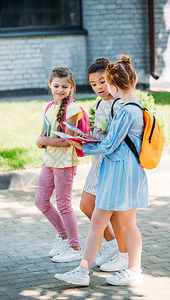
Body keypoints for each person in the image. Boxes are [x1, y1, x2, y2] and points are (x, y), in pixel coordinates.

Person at [54, 55, 149, 286]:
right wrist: (86, 141)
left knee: (119, 223)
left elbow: (109, 145)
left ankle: (125, 269)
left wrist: (80, 145)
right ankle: (88, 270)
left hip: (120, 173)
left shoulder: (127, 111)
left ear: (114, 86)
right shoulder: (132, 108)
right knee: (110, 222)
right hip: (119, 172)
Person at [80, 58, 128, 272]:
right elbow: (102, 132)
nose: (98, 87)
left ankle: (122, 253)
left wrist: (100, 136)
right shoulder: (100, 103)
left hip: (110, 163)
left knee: (113, 213)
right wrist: (89, 134)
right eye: (93, 84)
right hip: (97, 162)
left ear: (111, 80)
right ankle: (111, 247)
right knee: (86, 205)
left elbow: (118, 137)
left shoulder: (119, 104)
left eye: (102, 82)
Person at [35, 67, 83, 263]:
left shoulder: (72, 109)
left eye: (64, 86)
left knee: (64, 205)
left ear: (71, 88)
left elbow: (67, 141)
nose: (60, 90)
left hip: (65, 163)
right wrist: (42, 139)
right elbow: (45, 133)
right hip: (50, 162)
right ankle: (64, 237)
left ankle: (75, 247)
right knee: (41, 201)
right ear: (50, 85)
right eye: (56, 86)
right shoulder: (49, 106)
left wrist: (43, 141)